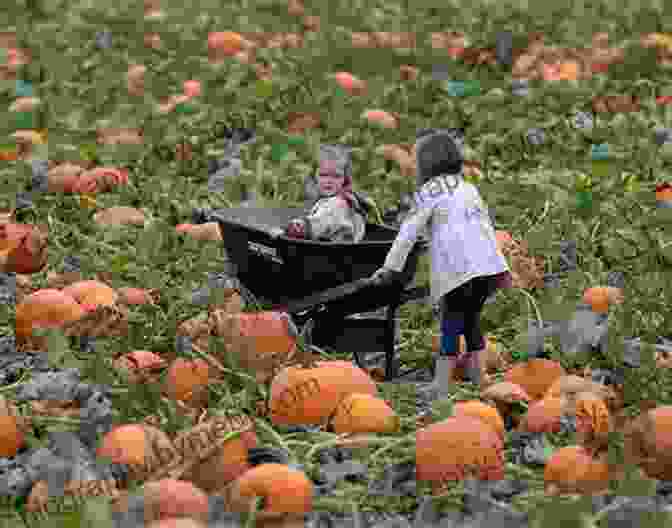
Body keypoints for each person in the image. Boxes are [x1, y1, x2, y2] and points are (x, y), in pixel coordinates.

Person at [370, 128, 512, 394]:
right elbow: (480, 224)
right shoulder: (469, 187)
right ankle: (479, 376)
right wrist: (500, 266)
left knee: (451, 321)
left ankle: (442, 382)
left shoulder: (428, 192)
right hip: (487, 266)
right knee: (471, 319)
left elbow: (407, 233)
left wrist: (389, 268)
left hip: (459, 269)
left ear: (426, 163)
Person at [284, 144, 370, 243]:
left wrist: (289, 229)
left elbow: (317, 224)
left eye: (336, 176)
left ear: (345, 180)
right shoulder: (332, 199)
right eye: (323, 175)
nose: (329, 181)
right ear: (314, 177)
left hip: (333, 253)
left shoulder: (337, 204)